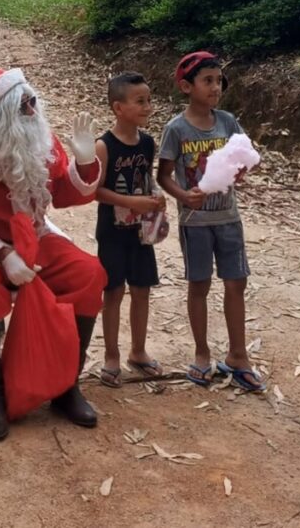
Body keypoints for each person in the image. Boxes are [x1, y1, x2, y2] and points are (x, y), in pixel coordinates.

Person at [0, 68, 106, 441]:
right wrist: (1, 255)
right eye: (23, 105)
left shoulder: (43, 141)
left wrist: (85, 163)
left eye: (34, 101)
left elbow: (67, 196)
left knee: (89, 274)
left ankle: (67, 385)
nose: (34, 112)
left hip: (35, 237)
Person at [157, 51, 265, 392]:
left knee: (236, 283)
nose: (215, 87)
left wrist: (243, 169)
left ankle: (238, 356)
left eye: (219, 81)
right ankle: (202, 354)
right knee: (199, 286)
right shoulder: (176, 129)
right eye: (208, 81)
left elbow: (245, 159)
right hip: (196, 222)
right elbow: (163, 176)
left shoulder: (228, 122)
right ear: (186, 86)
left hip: (228, 218)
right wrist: (183, 195)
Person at [95, 73, 166, 388]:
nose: (148, 107)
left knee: (141, 291)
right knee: (113, 292)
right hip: (112, 232)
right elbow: (95, 191)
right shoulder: (103, 145)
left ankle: (138, 351)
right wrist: (130, 201)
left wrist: (155, 199)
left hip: (141, 234)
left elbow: (146, 179)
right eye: (140, 101)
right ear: (118, 107)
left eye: (149, 100)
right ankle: (111, 355)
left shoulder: (148, 143)